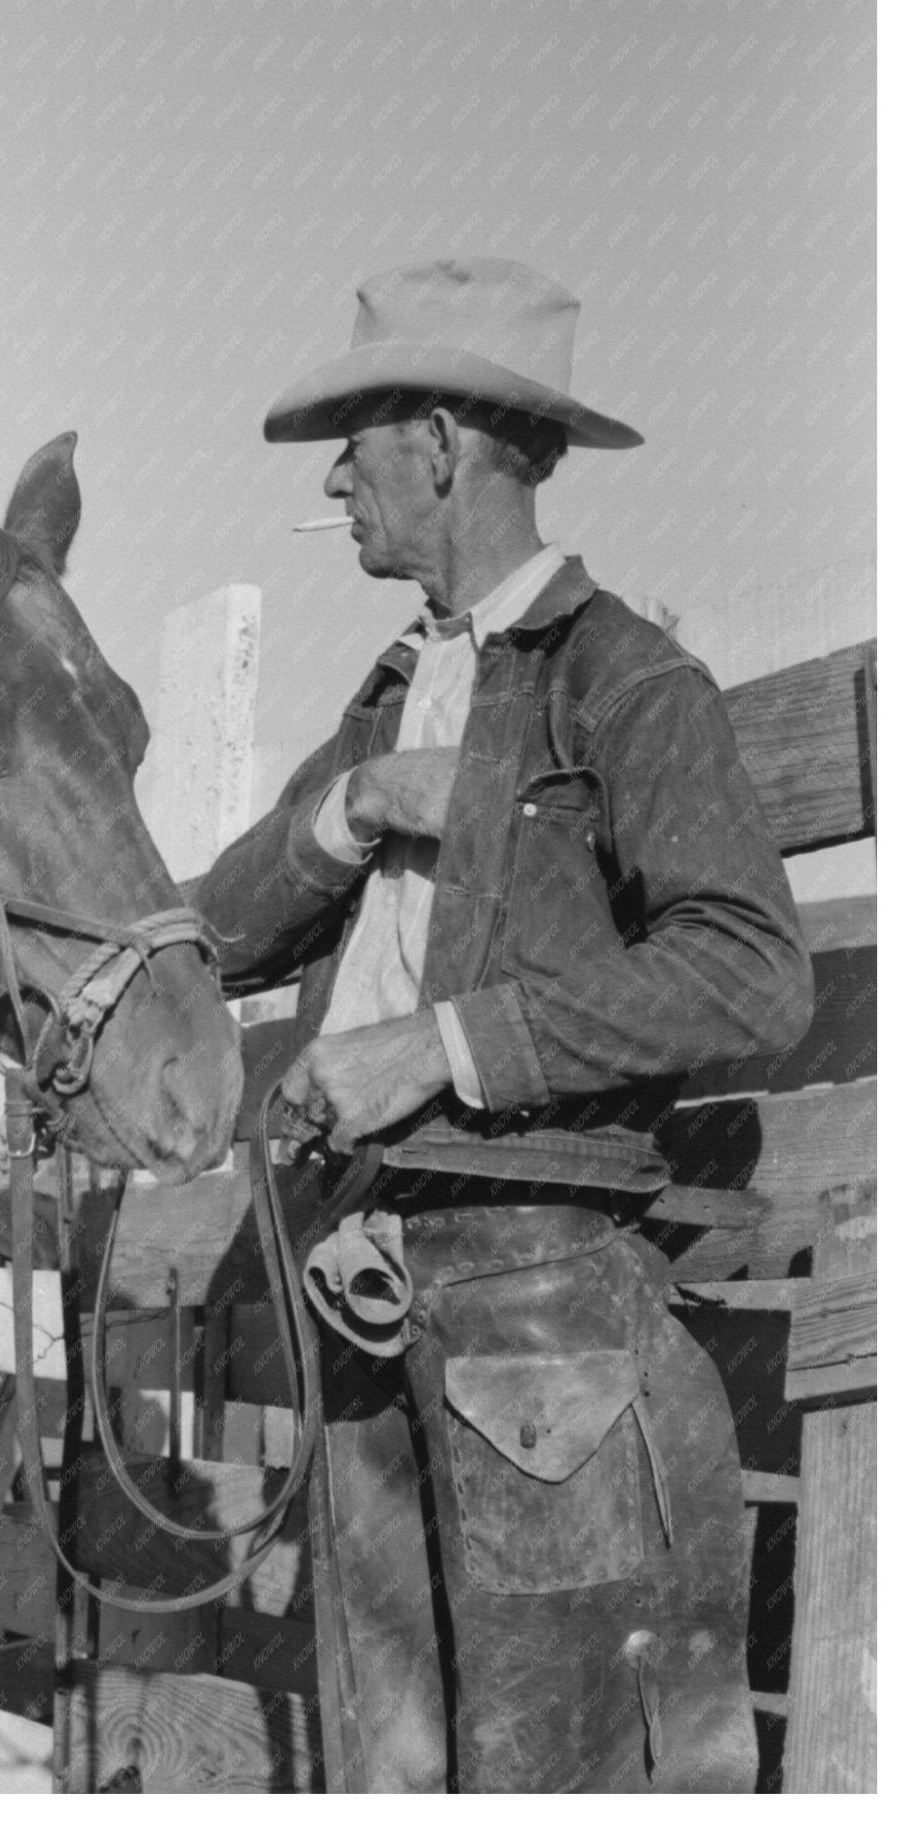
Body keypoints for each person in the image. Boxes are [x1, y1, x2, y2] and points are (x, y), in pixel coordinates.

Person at [197, 258, 814, 1793]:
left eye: (355, 441)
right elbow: (217, 939)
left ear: (440, 444)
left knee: (556, 1768)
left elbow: (749, 971)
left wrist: (436, 1045)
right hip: (369, 1283)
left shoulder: (625, 681)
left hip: (544, 1306)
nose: (332, 478)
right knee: (390, 1759)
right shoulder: (392, 689)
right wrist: (351, 804)